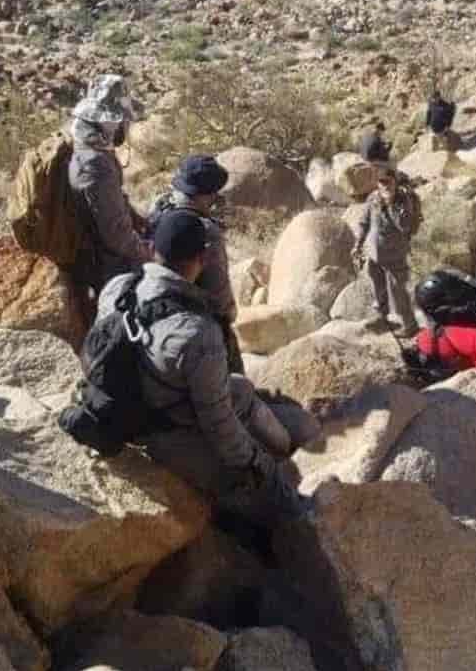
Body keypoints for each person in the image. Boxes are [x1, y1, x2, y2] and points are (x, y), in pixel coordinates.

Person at [105, 210, 319, 531]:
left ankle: (284, 447)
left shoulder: (118, 289)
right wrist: (257, 464)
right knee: (268, 485)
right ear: (202, 258)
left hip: (131, 408)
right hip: (168, 434)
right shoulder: (196, 332)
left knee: (241, 389)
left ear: (153, 248)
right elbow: (219, 425)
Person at [149, 154, 243, 373]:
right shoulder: (205, 231)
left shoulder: (157, 209)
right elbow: (219, 295)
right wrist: (228, 316)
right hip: (192, 324)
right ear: (208, 194)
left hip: (150, 308)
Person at [67, 74, 151, 295]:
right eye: (120, 121)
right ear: (108, 122)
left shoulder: (88, 146)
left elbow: (112, 199)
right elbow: (116, 236)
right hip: (105, 264)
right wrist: (151, 254)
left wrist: (138, 219)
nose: (123, 126)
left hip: (102, 249)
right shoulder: (94, 163)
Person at [352, 134, 421, 341]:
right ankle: (382, 317)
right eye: (379, 180)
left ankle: (409, 325)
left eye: (385, 180)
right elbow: (364, 220)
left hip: (394, 254)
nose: (381, 183)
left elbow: (405, 226)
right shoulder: (374, 196)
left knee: (398, 291)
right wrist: (358, 243)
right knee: (377, 287)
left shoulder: (401, 199)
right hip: (374, 253)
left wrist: (391, 203)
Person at [425, 86, 459, 152]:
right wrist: (427, 124)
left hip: (442, 130)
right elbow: (429, 113)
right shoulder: (431, 104)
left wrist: (448, 126)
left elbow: (450, 117)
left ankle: (450, 157)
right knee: (434, 148)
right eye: (433, 98)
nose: (434, 99)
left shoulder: (445, 106)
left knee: (445, 149)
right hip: (432, 129)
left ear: (439, 97)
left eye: (435, 97)